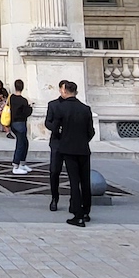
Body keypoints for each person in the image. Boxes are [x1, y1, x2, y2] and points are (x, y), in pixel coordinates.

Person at [46, 81, 95, 227]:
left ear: (65, 91)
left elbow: (55, 127)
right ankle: (86, 211)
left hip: (68, 149)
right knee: (85, 181)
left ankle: (77, 215)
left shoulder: (61, 108)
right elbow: (90, 132)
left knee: (74, 182)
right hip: (83, 149)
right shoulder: (86, 109)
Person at [44, 79, 69, 212]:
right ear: (60, 90)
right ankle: (54, 197)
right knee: (54, 171)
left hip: (70, 142)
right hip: (57, 142)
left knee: (72, 172)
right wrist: (55, 128)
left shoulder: (74, 105)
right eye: (63, 89)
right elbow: (47, 122)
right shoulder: (53, 105)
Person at [8, 79, 34, 175]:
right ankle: (16, 165)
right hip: (20, 124)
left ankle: (22, 164)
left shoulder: (12, 98)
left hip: (14, 123)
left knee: (24, 142)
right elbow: (27, 113)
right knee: (21, 144)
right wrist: (30, 106)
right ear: (23, 87)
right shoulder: (23, 100)